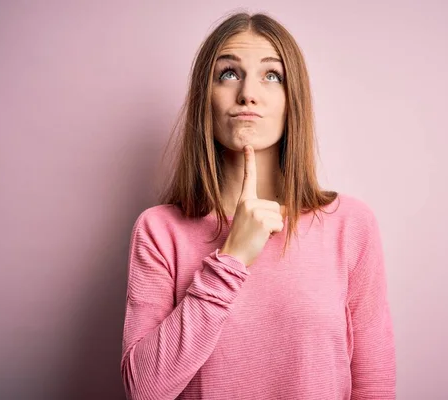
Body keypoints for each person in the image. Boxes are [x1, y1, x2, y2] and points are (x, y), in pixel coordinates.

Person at [120, 11, 396, 400]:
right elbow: (144, 391)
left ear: (292, 100)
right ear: (206, 99)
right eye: (229, 74)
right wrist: (230, 259)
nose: (248, 92)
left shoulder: (350, 225)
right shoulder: (160, 230)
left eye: (272, 75)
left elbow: (374, 385)